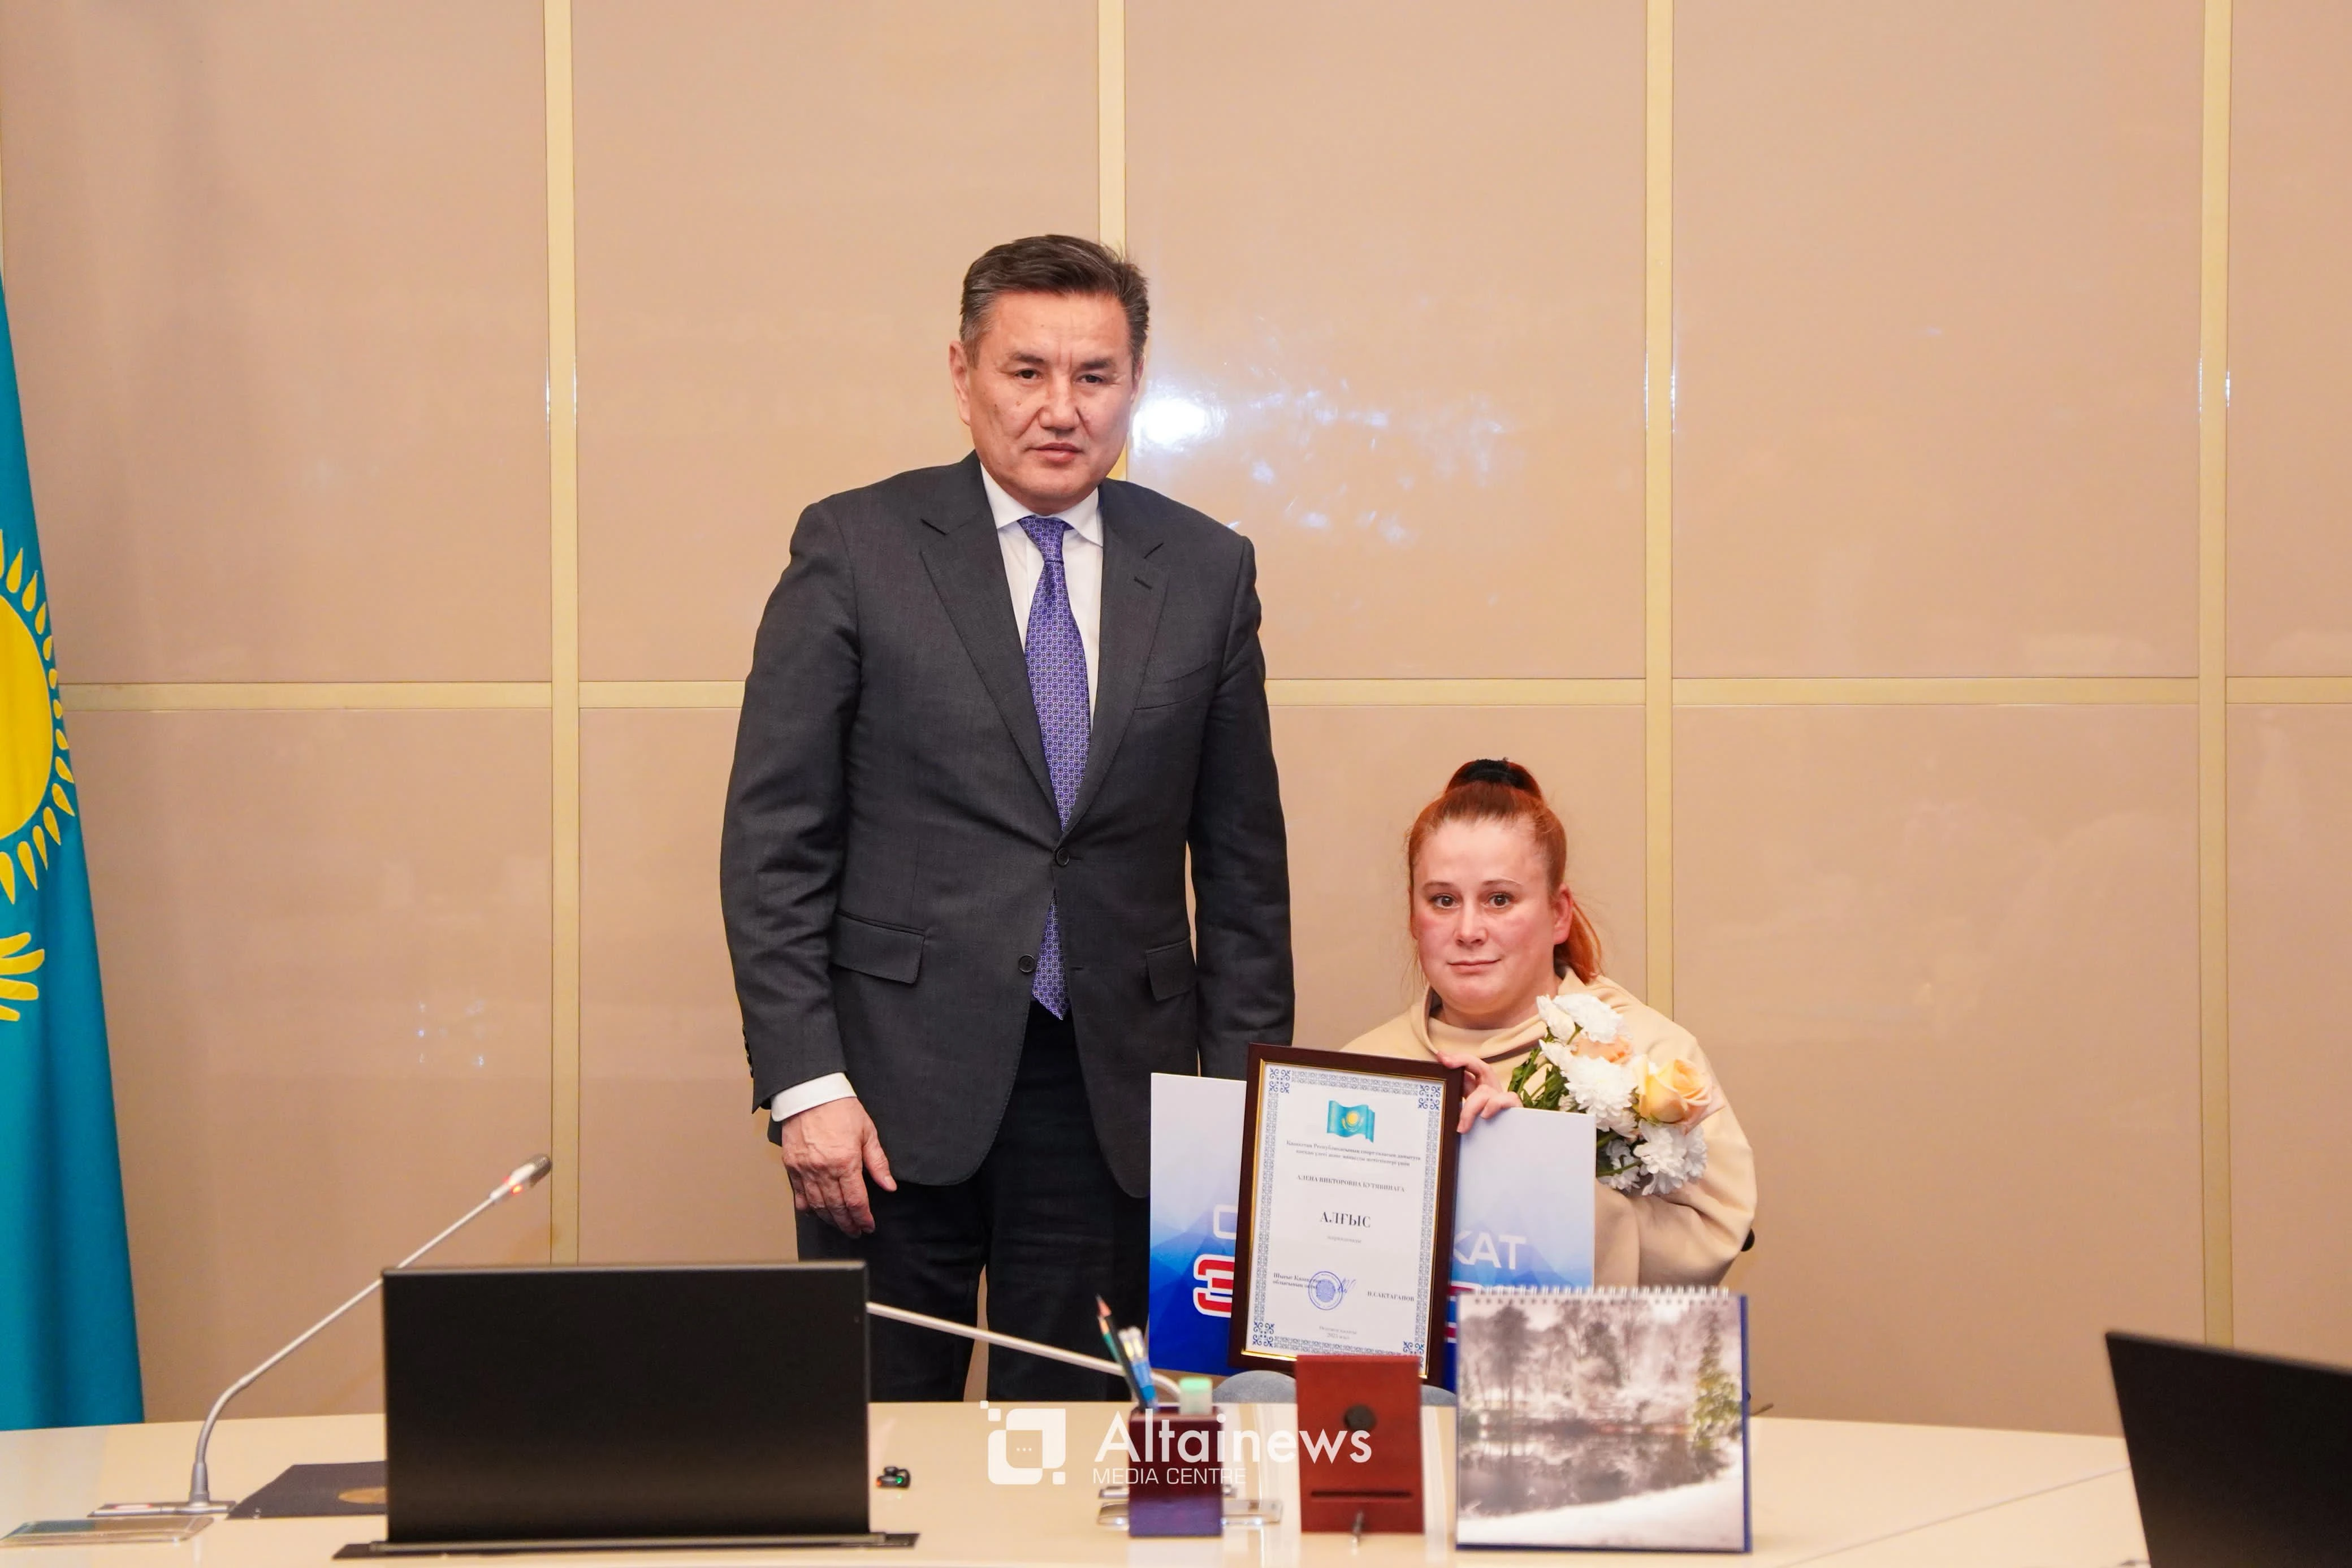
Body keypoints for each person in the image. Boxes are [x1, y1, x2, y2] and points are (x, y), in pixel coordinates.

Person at [719, 235, 1292, 1400]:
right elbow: (774, 846)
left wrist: (1239, 1120)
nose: (1060, 408)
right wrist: (805, 1082)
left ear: (1136, 383)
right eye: (1026, 371)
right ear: (963, 373)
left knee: (1083, 1454)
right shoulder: (855, 547)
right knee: (879, 1449)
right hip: (883, 1095)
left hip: (1116, 1104)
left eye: (1094, 375)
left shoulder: (1206, 569)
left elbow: (1243, 872)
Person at [1341, 759, 1755, 1285]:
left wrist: (1536, 1170)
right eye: (1443, 901)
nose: (1468, 930)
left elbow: (1711, 1240)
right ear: (1413, 916)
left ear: (1558, 913)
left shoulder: (1649, 1054)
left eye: (1499, 900)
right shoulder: (1361, 1069)